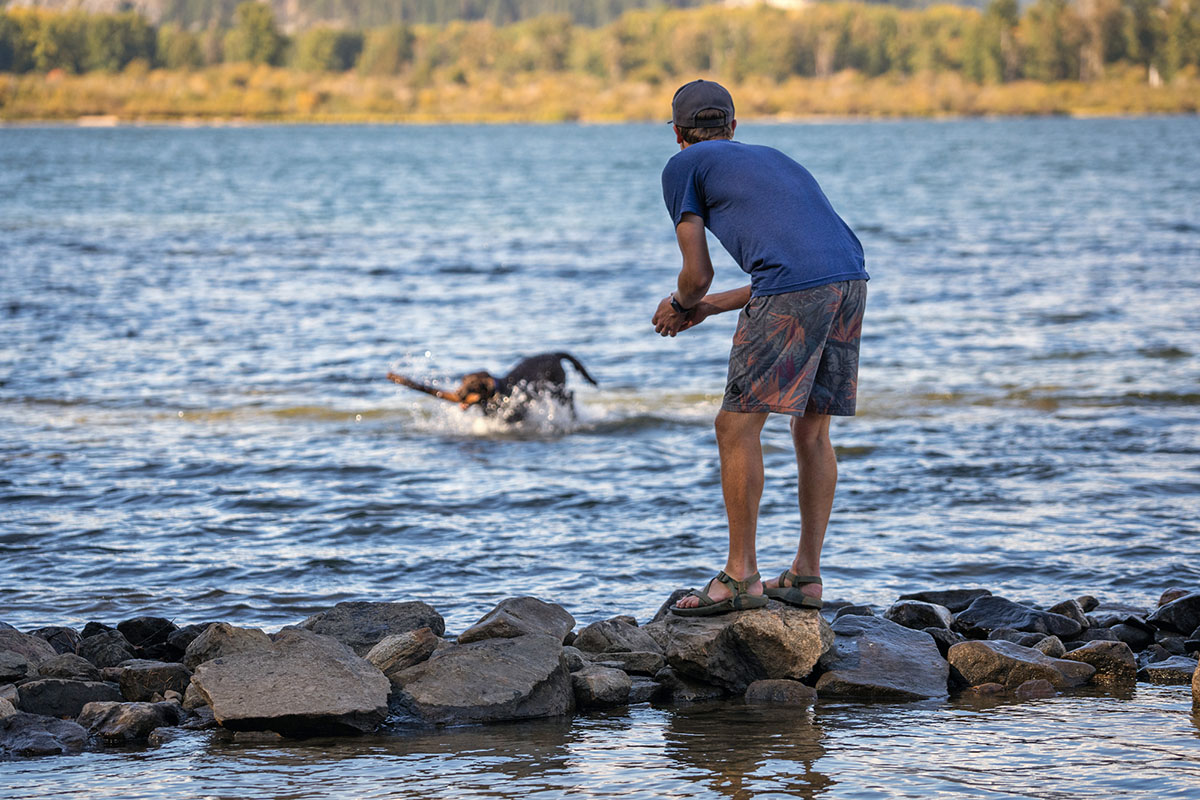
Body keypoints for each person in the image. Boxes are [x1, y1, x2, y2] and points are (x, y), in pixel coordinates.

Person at [653, 79, 869, 617]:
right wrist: (708, 310)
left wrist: (681, 304)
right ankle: (805, 576)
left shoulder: (685, 166)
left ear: (678, 133)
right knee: (811, 428)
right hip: (851, 281)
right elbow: (804, 268)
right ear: (733, 126)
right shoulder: (774, 158)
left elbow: (696, 274)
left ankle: (740, 576)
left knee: (737, 424)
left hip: (803, 287)